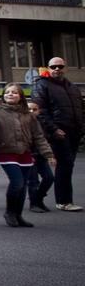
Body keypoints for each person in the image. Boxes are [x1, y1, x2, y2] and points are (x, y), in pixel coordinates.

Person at [0, 83, 55, 228]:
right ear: (3, 96)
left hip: (24, 153)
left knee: (23, 186)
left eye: (14, 92)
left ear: (20, 96)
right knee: (17, 182)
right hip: (6, 153)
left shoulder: (29, 115)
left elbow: (39, 136)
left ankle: (18, 215)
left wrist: (48, 153)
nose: (10, 94)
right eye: (7, 92)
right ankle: (9, 212)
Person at [31, 57, 83, 212]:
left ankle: (44, 199)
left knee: (67, 165)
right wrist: (54, 129)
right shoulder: (42, 85)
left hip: (74, 132)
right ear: (48, 67)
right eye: (53, 66)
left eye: (60, 66)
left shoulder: (72, 87)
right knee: (64, 165)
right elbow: (40, 111)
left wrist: (81, 128)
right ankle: (63, 201)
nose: (57, 69)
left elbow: (81, 109)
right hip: (57, 133)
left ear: (65, 68)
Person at [28, 101, 55, 212]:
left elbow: (45, 139)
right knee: (33, 181)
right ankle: (33, 204)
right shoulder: (22, 122)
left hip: (41, 155)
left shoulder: (42, 122)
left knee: (49, 178)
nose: (31, 112)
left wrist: (50, 155)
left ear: (39, 111)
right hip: (29, 155)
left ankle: (39, 199)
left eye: (34, 109)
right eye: (29, 109)